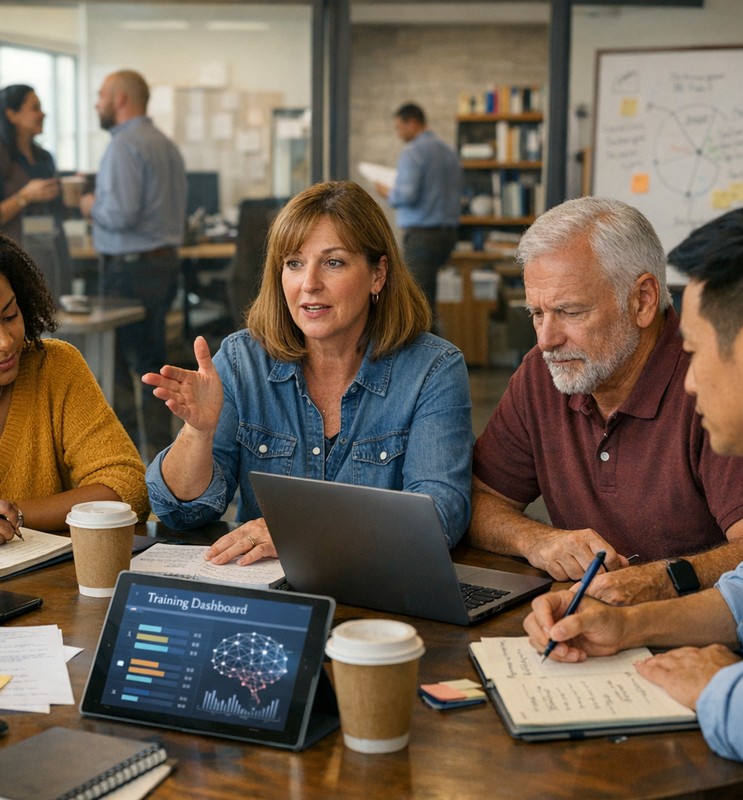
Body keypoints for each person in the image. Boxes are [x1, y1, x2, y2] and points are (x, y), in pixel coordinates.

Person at [144, 180, 473, 565]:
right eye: (294, 263)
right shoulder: (241, 360)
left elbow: (440, 516)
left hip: (375, 598)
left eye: (333, 262)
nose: (309, 284)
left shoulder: (432, 370)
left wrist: (300, 534)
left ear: (378, 275)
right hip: (264, 591)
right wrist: (198, 434)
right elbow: (182, 514)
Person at [523, 208, 743, 762]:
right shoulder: (542, 374)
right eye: (536, 314)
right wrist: (621, 627)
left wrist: (723, 692)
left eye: (693, 351)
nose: (689, 378)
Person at [469, 196, 743, 606]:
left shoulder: (715, 381)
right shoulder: (542, 374)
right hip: (591, 626)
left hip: (701, 642)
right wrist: (538, 540)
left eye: (569, 311)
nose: (546, 340)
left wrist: (659, 581)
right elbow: (476, 501)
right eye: (537, 313)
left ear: (643, 300)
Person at [0, 213, 149, 551]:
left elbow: (128, 487)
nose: (5, 341)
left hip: (52, 593)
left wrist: (11, 516)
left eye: (11, 316)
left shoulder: (54, 368)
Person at [79, 70, 187, 457]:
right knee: (154, 366)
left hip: (130, 270)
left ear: (121, 98)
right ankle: (161, 453)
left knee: (121, 369)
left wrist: (89, 204)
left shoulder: (125, 145)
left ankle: (121, 458)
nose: (97, 103)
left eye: (101, 95)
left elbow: (120, 214)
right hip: (162, 267)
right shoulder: (166, 145)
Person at [0, 85, 70, 295]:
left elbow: (57, 212)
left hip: (52, 258)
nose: (43, 114)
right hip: (10, 266)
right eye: (35, 108)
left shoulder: (44, 158)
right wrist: (25, 196)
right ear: (12, 114)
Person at [375, 103, 461, 314]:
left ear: (412, 123)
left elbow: (405, 195)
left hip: (422, 238)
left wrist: (385, 191)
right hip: (448, 236)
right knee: (428, 302)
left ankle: (430, 348)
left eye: (399, 127)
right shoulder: (449, 151)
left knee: (418, 306)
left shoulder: (413, 152)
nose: (398, 133)